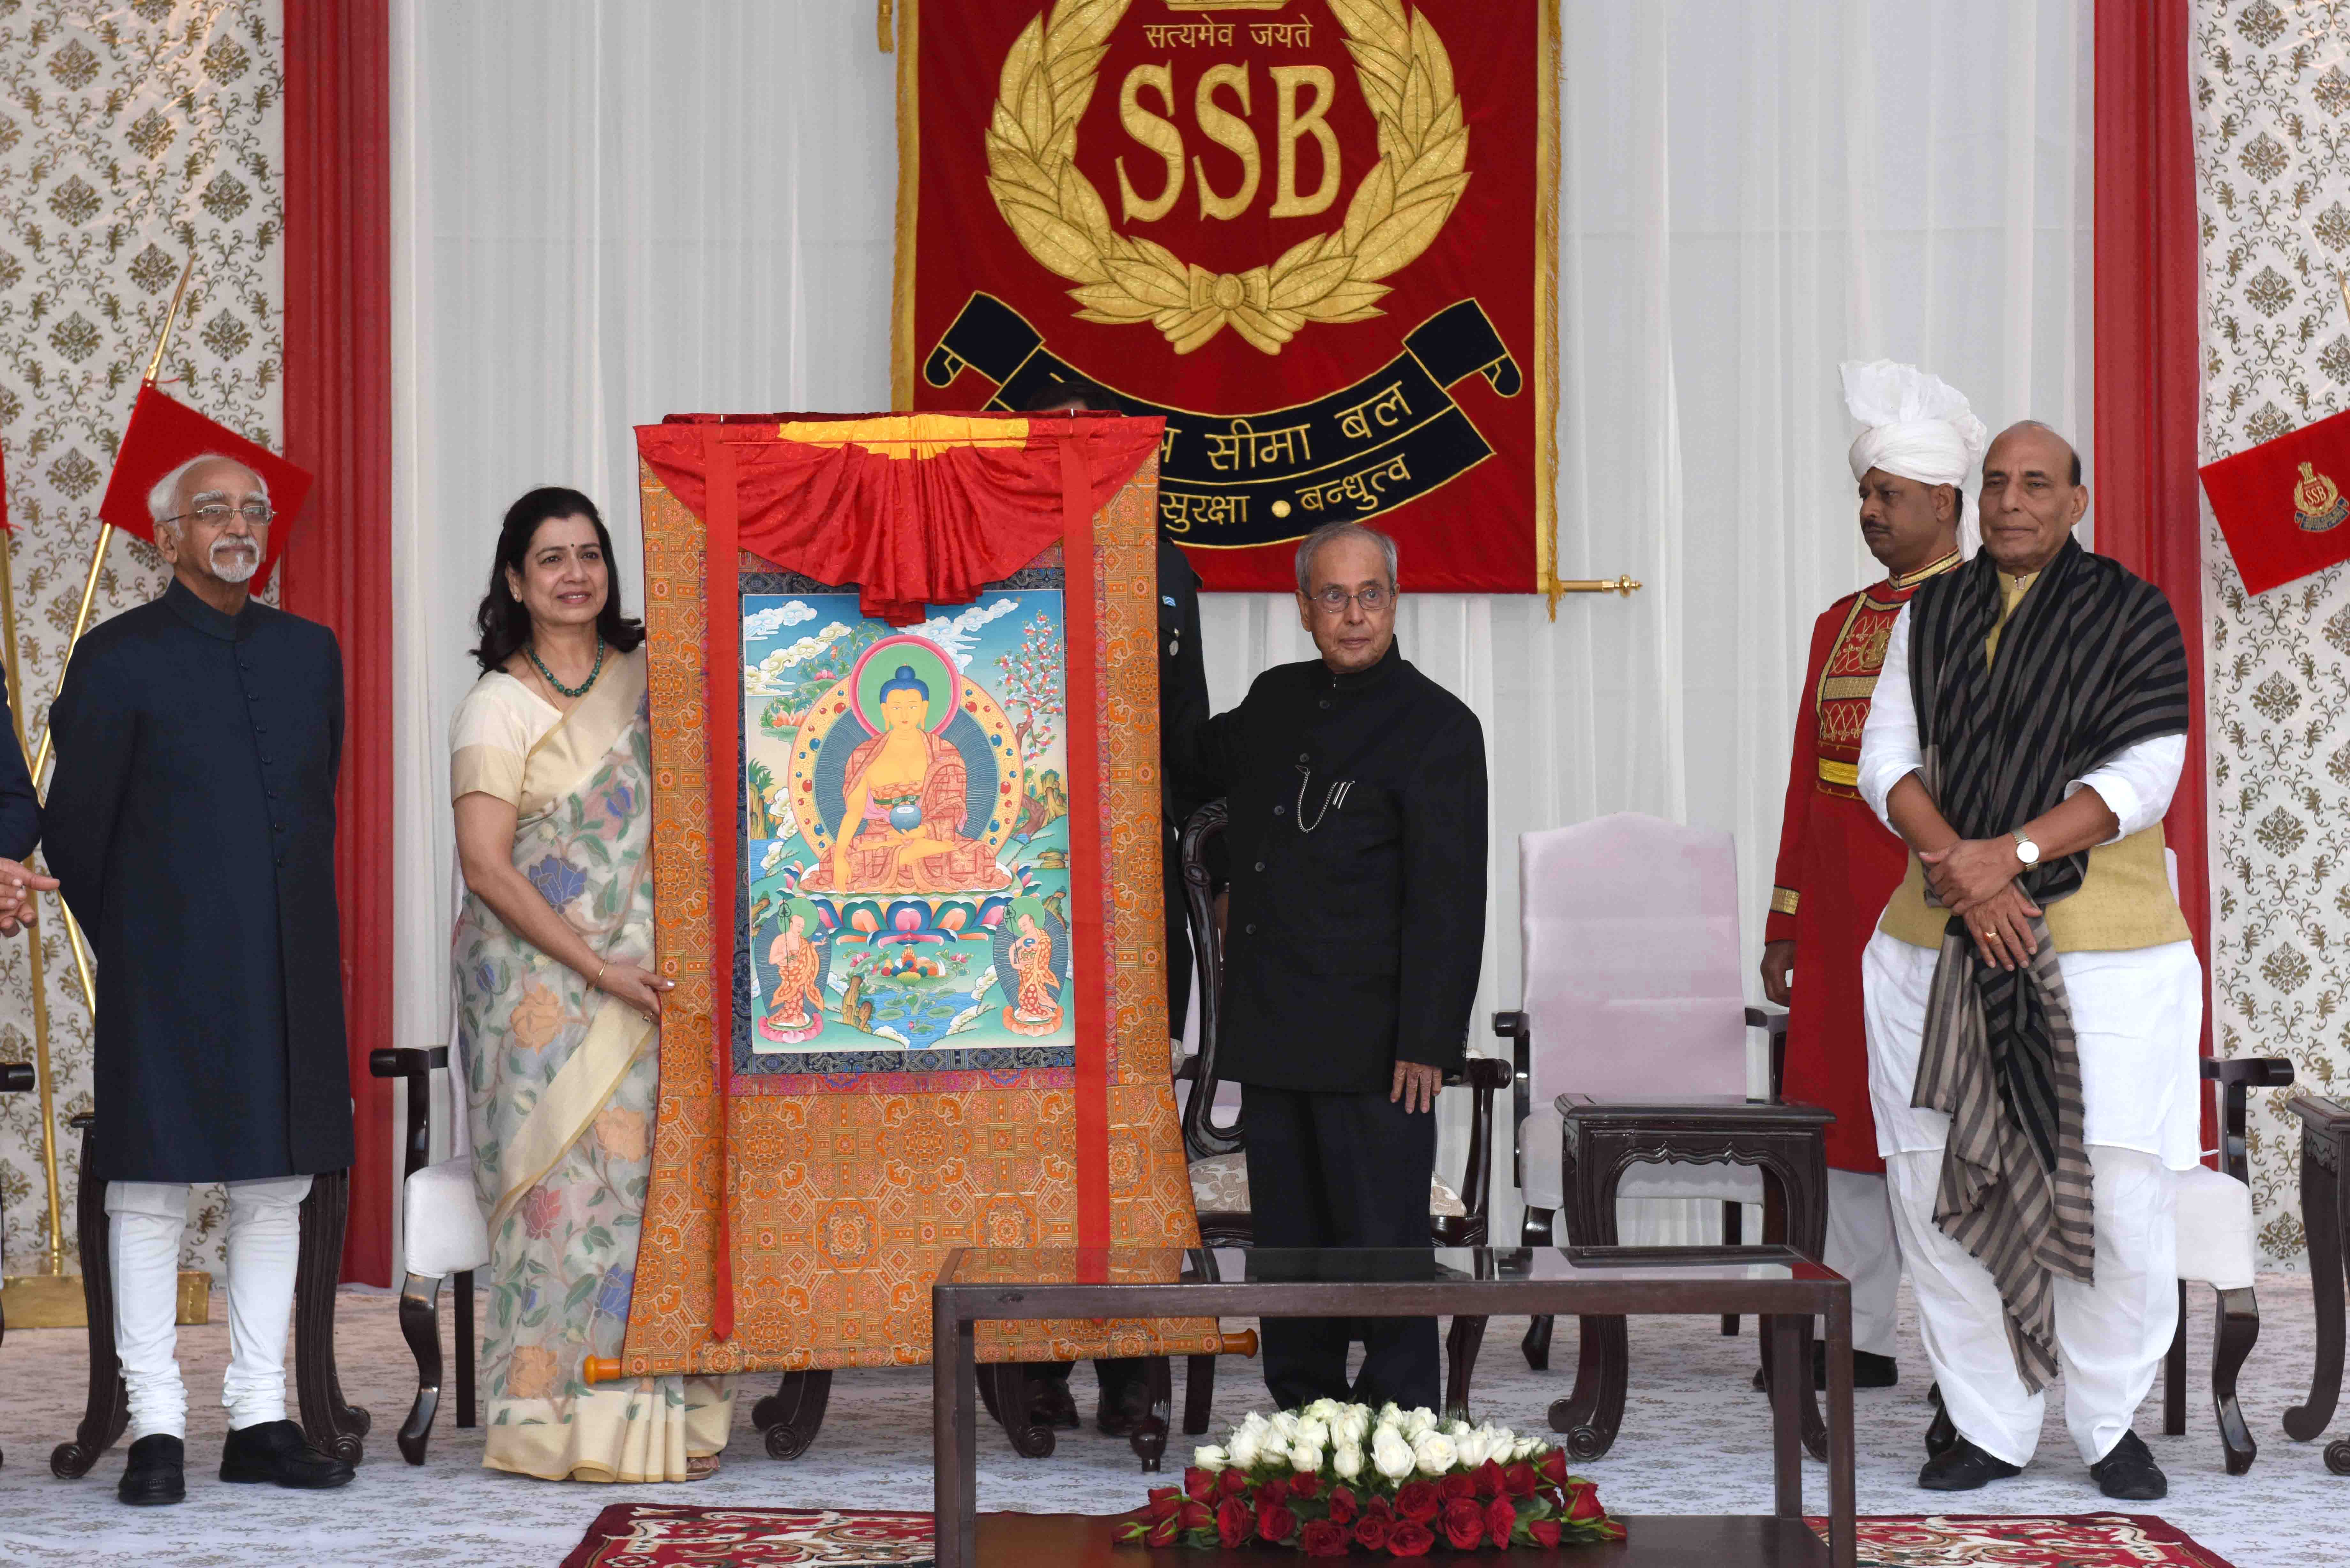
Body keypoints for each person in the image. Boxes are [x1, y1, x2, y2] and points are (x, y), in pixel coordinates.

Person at [1857, 422, 2194, 1501]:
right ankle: (1991, 1423)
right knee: (1936, 1179)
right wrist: (1963, 865)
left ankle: (2108, 1422)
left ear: (2078, 502)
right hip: (1936, 939)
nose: (2011, 502)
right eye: (1996, 483)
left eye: (2036, 484)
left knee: (2118, 1190)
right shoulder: (1935, 612)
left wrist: (2013, 855)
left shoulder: (2132, 613)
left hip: (2105, 953)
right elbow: (1885, 760)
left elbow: (2151, 770)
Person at [46, 453, 354, 1505]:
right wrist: (141, 942)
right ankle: (158, 1428)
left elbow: (319, 803)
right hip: (162, 970)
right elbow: (74, 834)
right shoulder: (115, 658)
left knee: (277, 1187)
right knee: (150, 1191)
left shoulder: (312, 654)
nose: (235, 524)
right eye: (209, 511)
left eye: (250, 509)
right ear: (165, 538)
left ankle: (261, 1416)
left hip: (291, 969)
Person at [451, 486, 734, 1482]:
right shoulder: (498, 701)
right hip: (538, 989)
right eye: (551, 558)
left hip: (656, 979)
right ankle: (554, 1424)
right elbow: (487, 865)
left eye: (589, 554)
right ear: (516, 582)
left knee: (652, 1195)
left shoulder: (656, 678)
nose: (574, 574)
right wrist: (597, 965)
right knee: (558, 1204)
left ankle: (662, 1418)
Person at [1172, 520, 1486, 1412]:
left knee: (1381, 1247)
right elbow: (1191, 775)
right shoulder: (1275, 700)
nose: (1355, 616)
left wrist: (1428, 1039)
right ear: (1306, 609)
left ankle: (1402, 1425)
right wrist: (1226, 878)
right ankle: (1304, 1415)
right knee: (1292, 1249)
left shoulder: (1438, 727)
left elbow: (1450, 901)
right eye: (1336, 598)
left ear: (1396, 601)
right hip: (1274, 1030)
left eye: (1372, 595)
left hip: (1381, 1047)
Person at [1760, 359, 1979, 1389]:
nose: (1867, 510)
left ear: (1943, 500)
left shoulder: (1995, 613)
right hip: (1844, 907)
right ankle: (1855, 1334)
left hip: (1944, 904)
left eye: (1884, 493)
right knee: (1841, 1122)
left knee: (1943, 1122)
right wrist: (1785, 917)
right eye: (1862, 492)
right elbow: (1810, 784)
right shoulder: (1837, 623)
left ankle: (1971, 1349)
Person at [1014, 378, 1214, 1436]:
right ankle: (1035, 1354)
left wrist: (1212, 896)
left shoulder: (1164, 569)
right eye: (1049, 451)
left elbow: (1192, 755)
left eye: (1087, 450)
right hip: (1022, 912)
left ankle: (1132, 1359)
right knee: (1031, 1139)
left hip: (1138, 915)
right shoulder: (986, 569)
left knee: (1133, 1139)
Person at [806, 664, 1010, 892]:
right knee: (834, 862)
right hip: (881, 838)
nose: (904, 715)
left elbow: (952, 809)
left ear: (924, 710)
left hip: (929, 835)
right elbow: (854, 813)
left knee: (979, 858)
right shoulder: (864, 755)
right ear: (885, 711)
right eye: (896, 707)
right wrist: (842, 856)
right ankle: (908, 855)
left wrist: (922, 832)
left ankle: (909, 854)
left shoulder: (945, 753)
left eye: (912, 706)